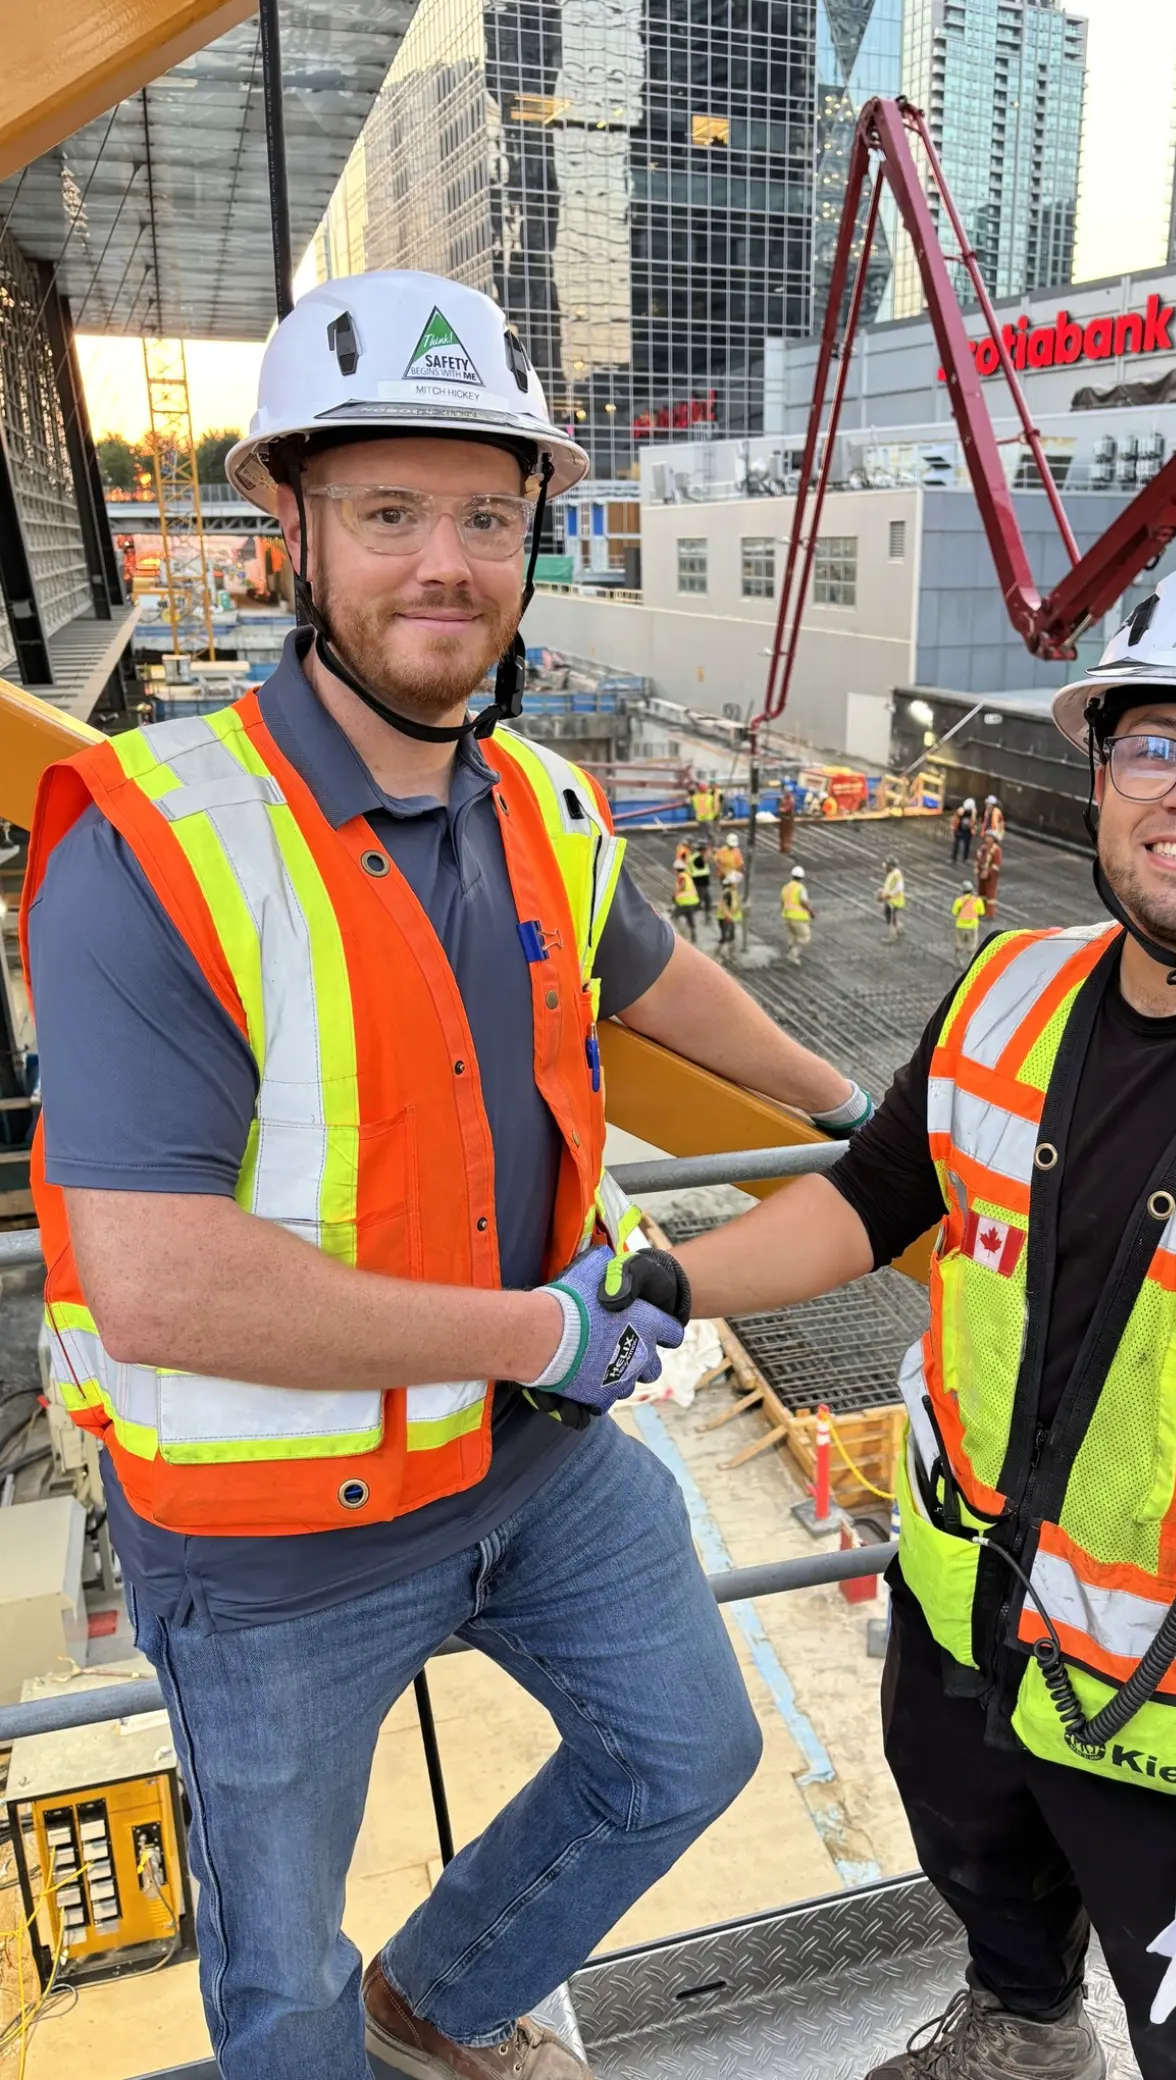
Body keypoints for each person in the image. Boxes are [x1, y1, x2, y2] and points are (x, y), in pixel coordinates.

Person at [22, 270, 877, 2080]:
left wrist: (844, 1097)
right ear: (291, 527)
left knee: (684, 1747)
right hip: (271, 1549)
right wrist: (534, 1332)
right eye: (390, 512)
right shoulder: (159, 847)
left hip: (537, 1464)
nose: (446, 565)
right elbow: (162, 1275)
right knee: (279, 1981)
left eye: (487, 515)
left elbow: (648, 969)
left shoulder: (541, 810)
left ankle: (445, 1997)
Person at [669, 561, 1176, 2080]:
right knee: (980, 1873)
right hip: (958, 1607)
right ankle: (1024, 2031)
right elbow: (863, 1204)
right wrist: (667, 1284)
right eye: (1154, 744)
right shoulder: (1003, 989)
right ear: (1101, 769)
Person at [781, 865, 814, 965]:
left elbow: (782, 902)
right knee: (804, 937)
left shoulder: (786, 888)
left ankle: (792, 950)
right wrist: (811, 911)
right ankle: (793, 955)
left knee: (792, 936)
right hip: (798, 917)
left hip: (787, 916)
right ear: (802, 878)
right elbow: (803, 901)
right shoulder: (800, 888)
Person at [974, 825, 1003, 916]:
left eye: (989, 837)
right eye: (986, 837)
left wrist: (988, 872)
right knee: (981, 892)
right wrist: (977, 868)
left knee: (990, 893)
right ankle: (982, 910)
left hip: (991, 875)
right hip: (981, 872)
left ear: (994, 839)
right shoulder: (983, 848)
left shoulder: (996, 850)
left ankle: (990, 913)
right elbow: (978, 858)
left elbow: (996, 864)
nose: (987, 839)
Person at [951, 880, 983, 962]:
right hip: (973, 925)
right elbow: (981, 912)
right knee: (972, 942)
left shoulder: (959, 900)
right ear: (972, 890)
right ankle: (971, 958)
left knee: (960, 941)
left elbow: (954, 912)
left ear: (962, 890)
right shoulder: (977, 900)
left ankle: (958, 956)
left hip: (960, 925)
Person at [672, 855, 701, 942]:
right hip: (693, 902)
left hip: (684, 903)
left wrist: (675, 894)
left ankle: (682, 934)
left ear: (677, 869)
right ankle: (693, 935)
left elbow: (682, 886)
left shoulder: (681, 876)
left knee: (674, 917)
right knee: (690, 918)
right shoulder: (687, 875)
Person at [715, 871, 743, 958]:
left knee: (731, 935)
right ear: (731, 883)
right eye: (736, 883)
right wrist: (728, 916)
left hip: (729, 917)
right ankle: (718, 953)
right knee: (725, 936)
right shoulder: (727, 892)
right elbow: (724, 906)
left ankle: (728, 952)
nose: (737, 884)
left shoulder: (732, 891)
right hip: (725, 918)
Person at [879, 856, 906, 942]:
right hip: (891, 900)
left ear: (890, 866)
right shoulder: (892, 874)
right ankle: (899, 928)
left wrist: (889, 894)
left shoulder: (896, 874)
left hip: (895, 901)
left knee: (891, 918)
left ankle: (892, 936)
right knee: (891, 917)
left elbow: (900, 887)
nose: (885, 868)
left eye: (886, 866)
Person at [689, 839, 714, 911]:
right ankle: (689, 914)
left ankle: (707, 916)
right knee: (698, 902)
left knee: (708, 901)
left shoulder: (698, 856)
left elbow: (709, 859)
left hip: (704, 884)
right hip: (699, 884)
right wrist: (710, 850)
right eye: (705, 850)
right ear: (702, 850)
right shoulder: (697, 858)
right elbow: (705, 860)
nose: (707, 851)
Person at [950, 797, 976, 865]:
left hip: (967, 831)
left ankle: (965, 859)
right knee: (956, 844)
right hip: (959, 829)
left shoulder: (973, 812)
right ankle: (954, 858)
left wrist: (973, 815)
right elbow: (955, 819)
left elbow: (972, 822)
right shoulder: (960, 810)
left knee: (966, 845)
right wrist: (953, 827)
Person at [778, 782, 798, 855]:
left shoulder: (790, 800)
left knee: (787, 835)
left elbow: (785, 809)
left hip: (788, 820)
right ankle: (782, 848)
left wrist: (781, 809)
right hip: (783, 819)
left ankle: (786, 849)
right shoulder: (784, 799)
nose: (786, 793)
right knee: (782, 835)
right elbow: (781, 807)